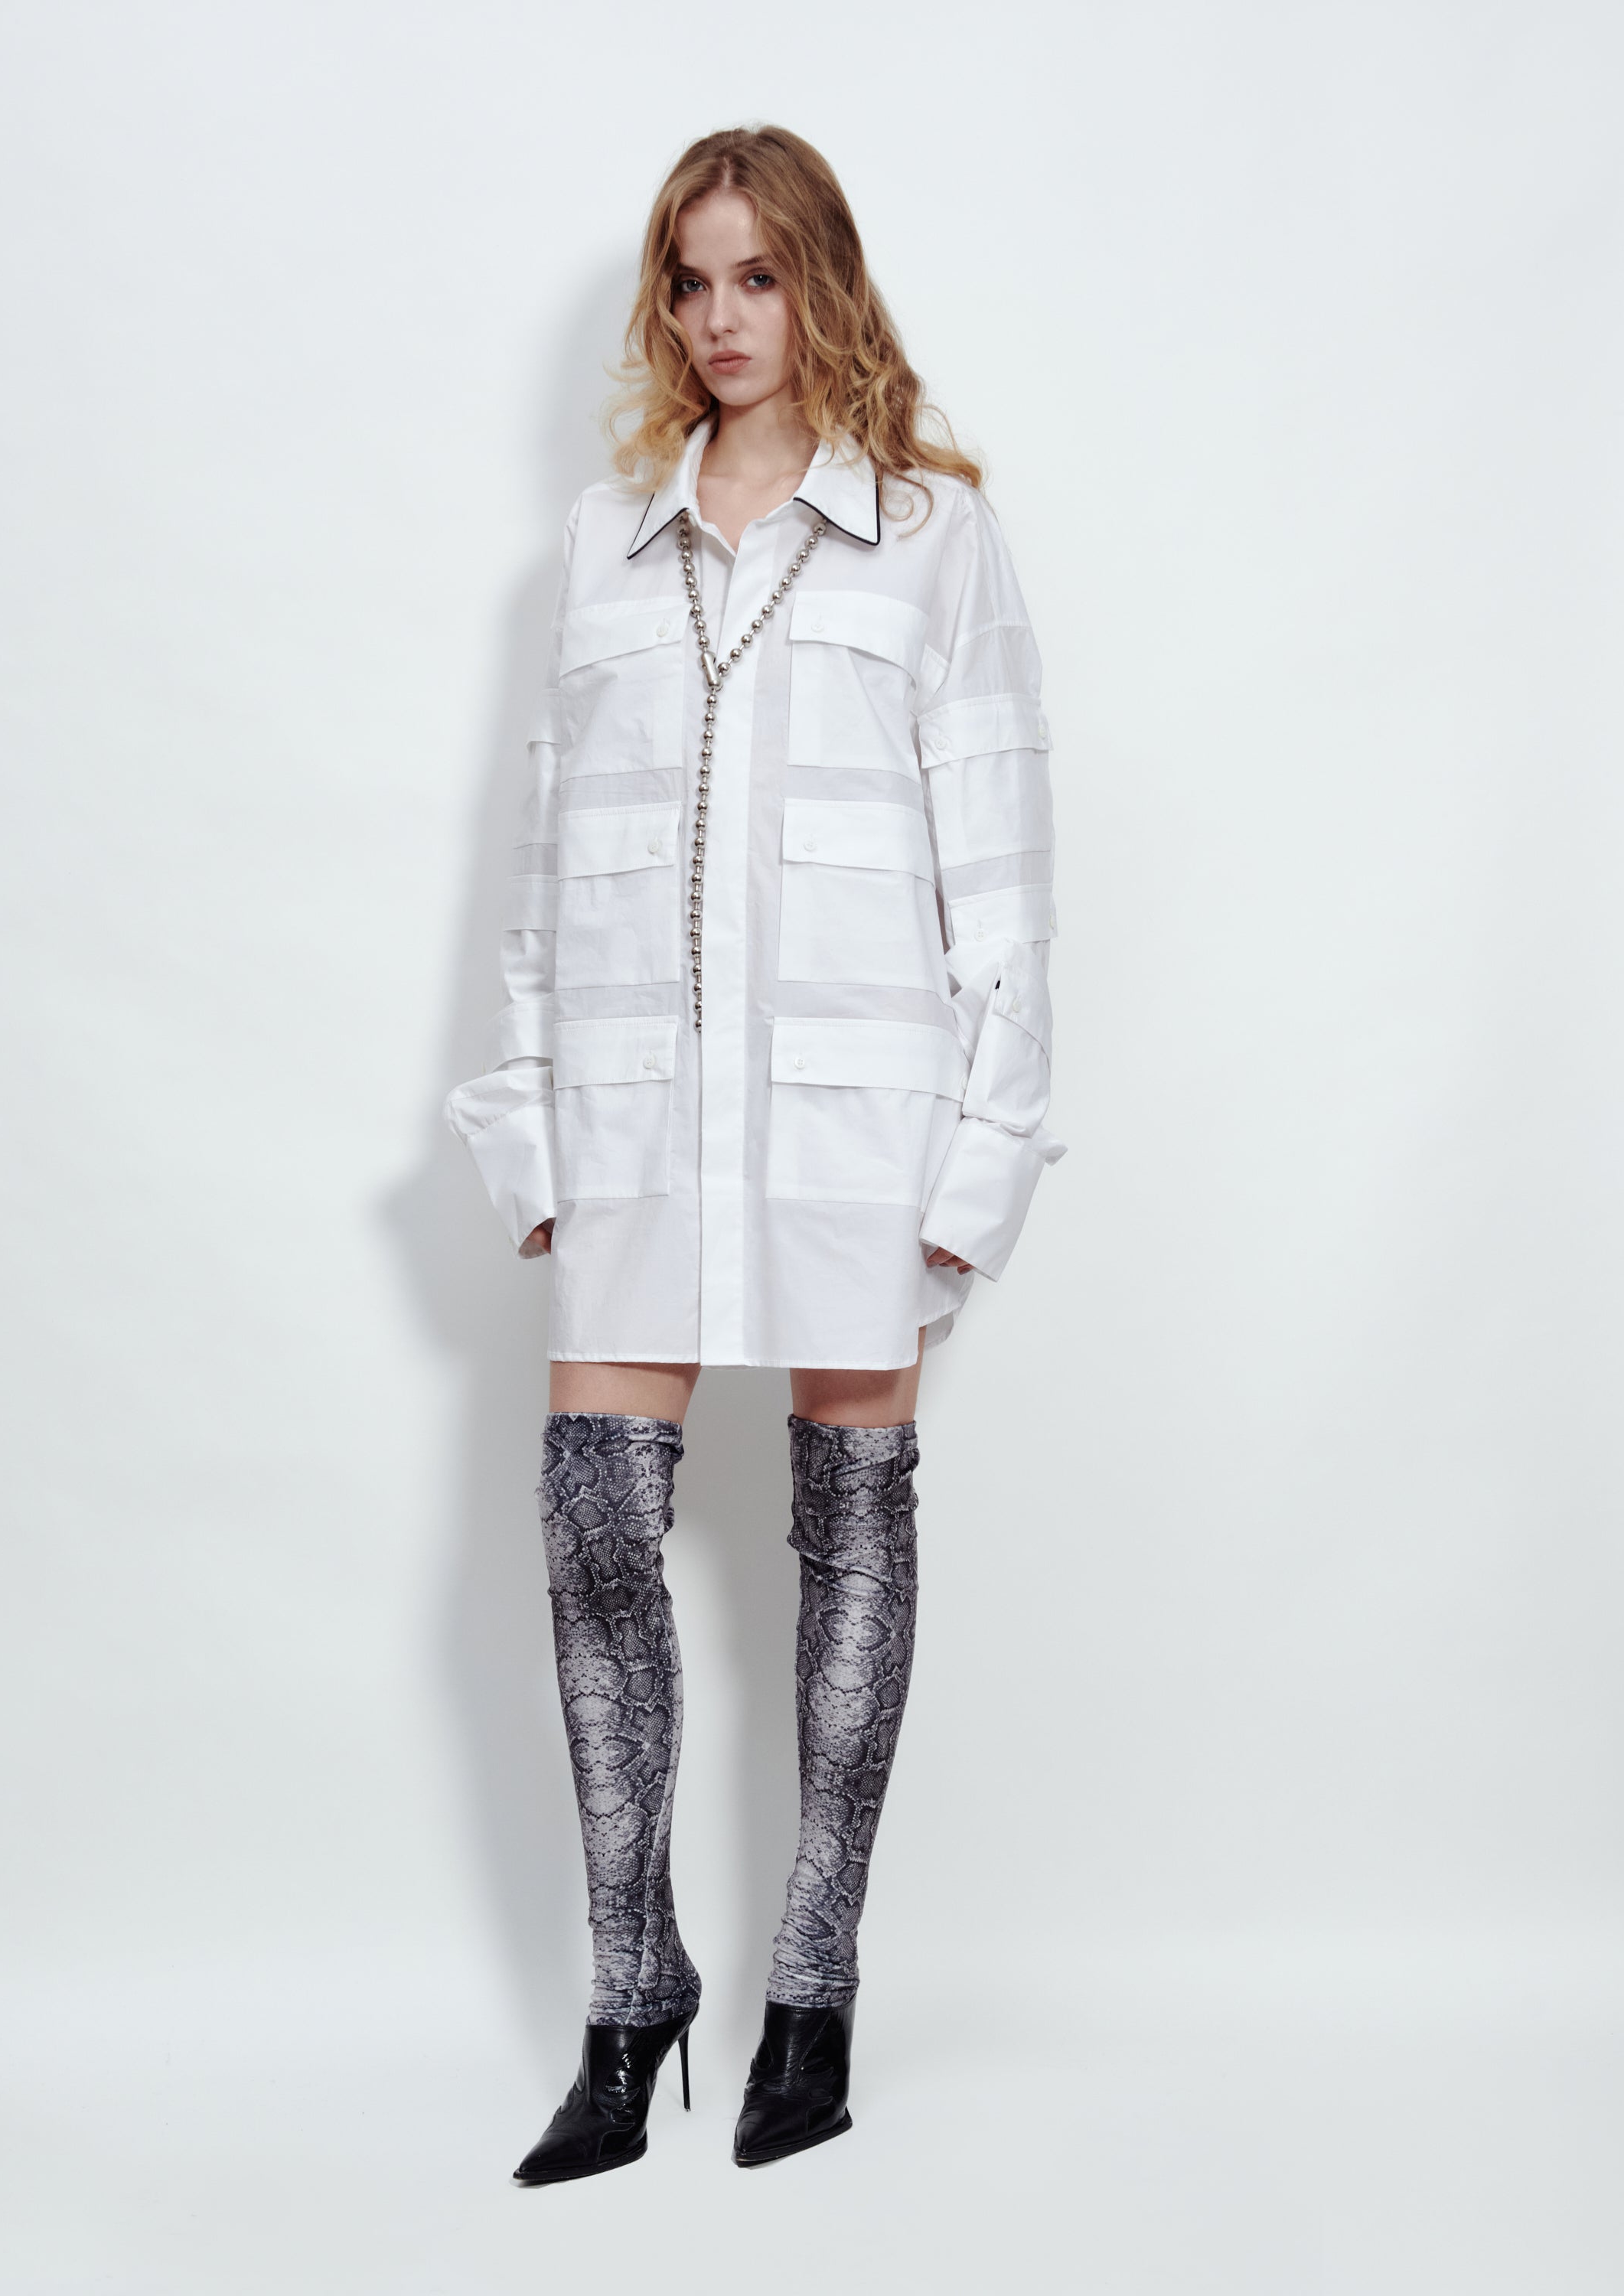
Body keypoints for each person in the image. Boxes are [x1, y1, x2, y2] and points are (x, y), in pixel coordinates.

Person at [444, 123, 1062, 2182]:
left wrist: (980, 1161)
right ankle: (633, 1993)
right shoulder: (603, 547)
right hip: (637, 1114)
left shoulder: (935, 539)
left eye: (759, 276)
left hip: (858, 1120)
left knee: (853, 1520)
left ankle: (815, 1984)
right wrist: (528, 1119)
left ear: (825, 284)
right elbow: (544, 874)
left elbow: (1005, 877)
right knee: (592, 1523)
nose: (721, 319)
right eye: (691, 282)